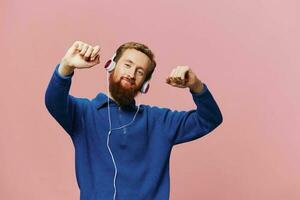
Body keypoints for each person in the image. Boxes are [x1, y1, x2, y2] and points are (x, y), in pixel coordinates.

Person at [45, 40, 223, 200]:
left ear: (145, 84)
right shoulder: (84, 113)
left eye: (140, 72)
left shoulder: (159, 121)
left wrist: (195, 85)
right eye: (127, 65)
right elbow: (53, 101)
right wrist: (66, 66)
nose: (131, 74)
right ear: (111, 66)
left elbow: (210, 119)